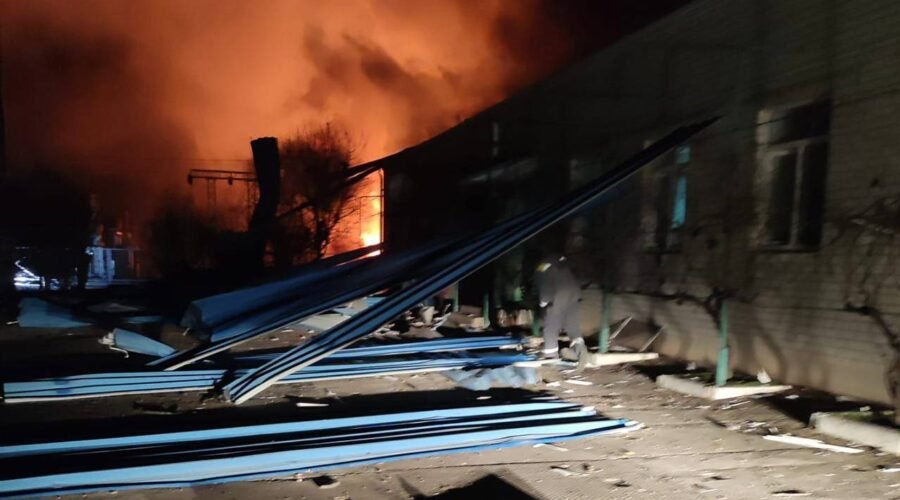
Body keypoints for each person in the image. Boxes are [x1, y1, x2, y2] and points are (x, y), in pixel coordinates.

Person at [535, 254, 588, 367]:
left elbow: (545, 281)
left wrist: (543, 301)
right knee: (573, 327)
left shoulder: (543, 265)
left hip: (558, 297)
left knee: (550, 328)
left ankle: (551, 357)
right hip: (575, 296)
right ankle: (580, 351)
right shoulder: (562, 260)